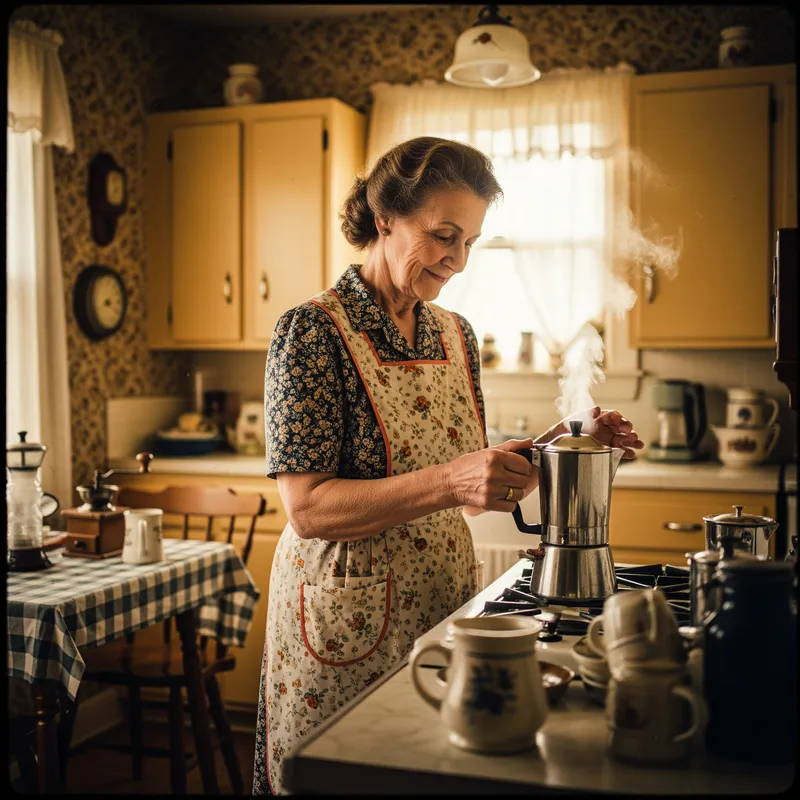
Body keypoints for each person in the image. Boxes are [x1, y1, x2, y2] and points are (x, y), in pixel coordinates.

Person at [253, 136, 643, 795]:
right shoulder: (314, 332)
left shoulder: (455, 334)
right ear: (385, 218)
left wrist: (562, 447)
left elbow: (469, 486)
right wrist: (452, 480)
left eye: (470, 242)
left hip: (441, 606)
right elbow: (309, 509)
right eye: (443, 236)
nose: (457, 260)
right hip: (346, 620)